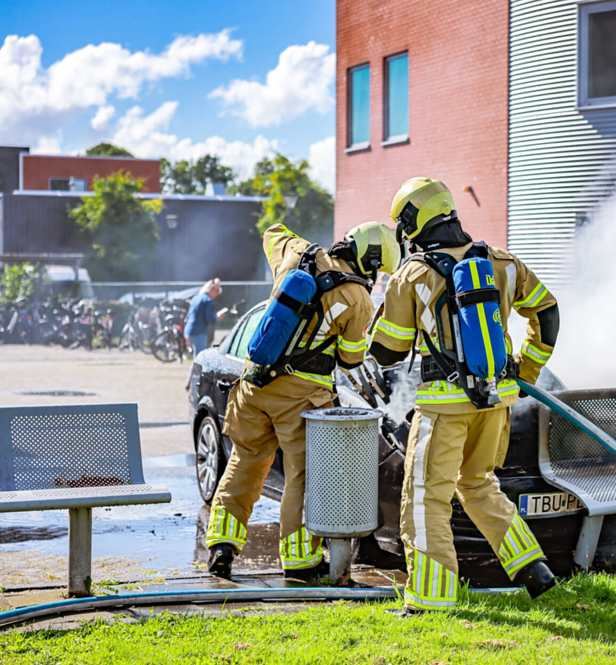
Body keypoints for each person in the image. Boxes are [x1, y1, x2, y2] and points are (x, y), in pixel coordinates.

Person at [369, 177, 561, 615]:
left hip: (443, 409)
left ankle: (430, 602)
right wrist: (524, 369)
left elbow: (387, 352)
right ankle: (535, 572)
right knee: (477, 484)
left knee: (425, 497)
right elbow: (547, 314)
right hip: (496, 402)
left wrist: (382, 310)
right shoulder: (503, 262)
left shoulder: (413, 274)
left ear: (412, 222)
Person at [205, 222, 401, 579]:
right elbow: (351, 359)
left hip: (254, 384)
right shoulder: (358, 299)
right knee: (303, 476)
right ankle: (300, 561)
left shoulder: (299, 255)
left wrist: (285, 234)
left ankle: (221, 545)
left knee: (244, 461)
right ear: (370, 262)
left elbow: (271, 233)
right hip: (302, 397)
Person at [184, 278, 225, 354]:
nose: (217, 295)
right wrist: (217, 317)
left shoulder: (195, 298)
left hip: (189, 331)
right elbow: (209, 319)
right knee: (200, 359)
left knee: (196, 358)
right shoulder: (208, 300)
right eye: (217, 292)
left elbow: (188, 316)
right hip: (199, 333)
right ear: (213, 290)